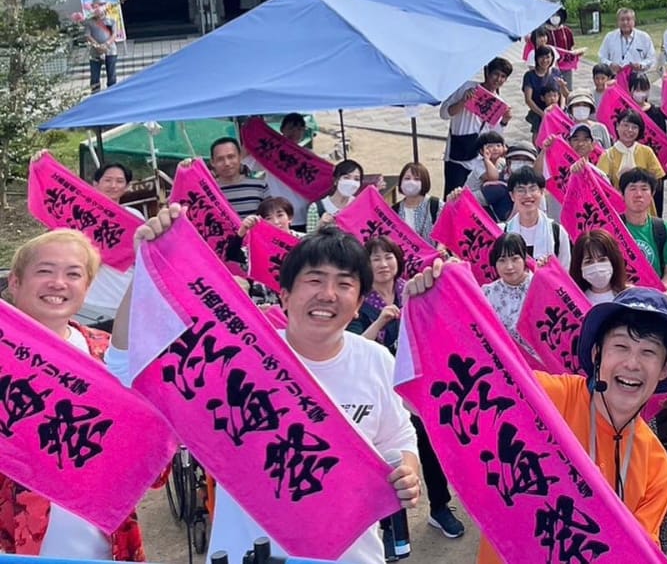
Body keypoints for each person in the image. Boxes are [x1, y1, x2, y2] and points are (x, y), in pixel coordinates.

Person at [113, 215, 422, 564]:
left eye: (344, 284)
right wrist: (144, 270)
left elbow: (397, 440)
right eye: (314, 280)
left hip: (350, 553)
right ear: (285, 295)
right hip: (249, 551)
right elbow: (128, 369)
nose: (327, 294)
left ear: (359, 302)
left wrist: (407, 470)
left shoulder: (376, 360)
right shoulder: (238, 357)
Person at [407, 276, 667, 564]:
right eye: (620, 346)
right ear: (597, 353)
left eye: (648, 352)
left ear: (665, 368)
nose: (632, 364)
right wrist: (426, 312)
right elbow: (438, 395)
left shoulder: (657, 468)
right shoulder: (545, 399)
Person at [0, 230, 146, 560]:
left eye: (73, 274)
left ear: (87, 287)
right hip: (16, 549)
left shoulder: (107, 353)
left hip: (107, 547)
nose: (58, 283)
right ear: (15, 282)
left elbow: (144, 462)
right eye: (44, 271)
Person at [348, 237, 466, 540]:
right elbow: (354, 348)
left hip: (420, 388)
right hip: (381, 391)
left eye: (388, 257)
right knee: (390, 458)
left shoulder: (412, 290)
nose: (383, 264)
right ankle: (389, 526)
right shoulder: (360, 301)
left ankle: (440, 508)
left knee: (430, 448)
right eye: (375, 259)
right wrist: (382, 321)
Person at [440, 57, 514, 195]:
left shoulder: (500, 103)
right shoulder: (466, 87)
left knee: (471, 198)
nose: (498, 79)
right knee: (451, 195)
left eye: (503, 76)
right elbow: (444, 113)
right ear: (487, 72)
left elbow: (493, 134)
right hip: (457, 154)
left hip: (478, 158)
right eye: (496, 74)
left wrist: (504, 120)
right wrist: (463, 102)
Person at [83, 161, 141, 317]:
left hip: (123, 294)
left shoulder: (134, 216)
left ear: (127, 186)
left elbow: (143, 256)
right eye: (107, 180)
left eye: (120, 181)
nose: (113, 185)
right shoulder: (81, 215)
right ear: (95, 183)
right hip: (89, 299)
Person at [244, 113, 311, 232]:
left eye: (300, 128)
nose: (295, 132)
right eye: (291, 127)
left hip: (304, 214)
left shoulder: (309, 156)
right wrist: (251, 131)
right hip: (277, 215)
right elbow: (247, 159)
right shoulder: (270, 152)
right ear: (282, 129)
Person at [620, 168, 667, 289]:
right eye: (632, 189)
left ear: (652, 194)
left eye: (644, 189)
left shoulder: (666, 229)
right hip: (620, 296)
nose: (638, 194)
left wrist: (658, 291)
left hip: (656, 297)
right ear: (622, 193)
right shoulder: (612, 228)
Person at [501, 170, 571, 265]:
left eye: (532, 189)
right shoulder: (501, 231)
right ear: (512, 195)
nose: (528, 195)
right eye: (521, 190)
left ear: (541, 192)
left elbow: (564, 271)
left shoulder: (558, 232)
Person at [480, 233, 537, 351]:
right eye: (502, 260)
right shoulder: (487, 293)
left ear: (524, 258)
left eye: (515, 259)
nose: (509, 266)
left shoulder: (540, 287)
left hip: (543, 365)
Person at [596, 109, 667, 203]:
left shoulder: (646, 151)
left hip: (644, 204)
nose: (629, 130)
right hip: (619, 205)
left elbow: (658, 180)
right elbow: (600, 183)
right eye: (625, 125)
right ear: (617, 126)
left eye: (634, 127)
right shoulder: (608, 155)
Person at [209, 137, 268, 218]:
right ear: (212, 162)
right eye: (220, 159)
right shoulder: (208, 190)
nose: (227, 163)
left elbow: (270, 218)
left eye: (231, 157)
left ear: (240, 157)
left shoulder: (260, 185)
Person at [569, 230, 628, 304]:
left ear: (613, 261)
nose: (596, 266)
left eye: (602, 260)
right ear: (579, 267)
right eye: (589, 262)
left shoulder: (630, 295)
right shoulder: (574, 301)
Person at [307, 159, 366, 230]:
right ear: (336, 180)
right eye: (346, 177)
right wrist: (320, 225)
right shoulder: (316, 208)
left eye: (356, 179)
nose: (351, 182)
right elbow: (309, 238)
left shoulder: (360, 206)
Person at [522, 45, 567, 137]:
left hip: (556, 112)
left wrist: (561, 108)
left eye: (548, 57)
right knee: (538, 137)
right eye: (541, 57)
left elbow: (561, 92)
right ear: (536, 58)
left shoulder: (556, 72)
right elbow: (528, 99)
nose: (545, 60)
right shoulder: (530, 76)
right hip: (539, 112)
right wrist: (543, 115)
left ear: (552, 58)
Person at [394, 162, 441, 245]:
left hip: (435, 257)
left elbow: (448, 231)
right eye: (407, 178)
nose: (411, 182)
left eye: (416, 179)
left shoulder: (436, 205)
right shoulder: (394, 211)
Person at [599, 8, 656, 73]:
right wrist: (610, 64)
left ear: (634, 21)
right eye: (622, 20)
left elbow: (652, 59)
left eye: (628, 19)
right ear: (618, 21)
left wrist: (641, 65)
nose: (625, 22)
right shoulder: (609, 37)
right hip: (616, 77)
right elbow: (601, 57)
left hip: (637, 77)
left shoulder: (644, 37)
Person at [545, 7, 585, 90]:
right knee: (553, 89)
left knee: (567, 88)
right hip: (551, 66)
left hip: (566, 65)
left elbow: (571, 47)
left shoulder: (567, 31)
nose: (555, 17)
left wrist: (576, 53)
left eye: (557, 15)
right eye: (553, 15)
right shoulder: (545, 32)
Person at [83, 0, 118, 92]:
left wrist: (106, 44)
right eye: (94, 7)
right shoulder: (89, 21)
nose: (96, 9)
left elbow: (114, 34)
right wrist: (97, 46)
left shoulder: (111, 20)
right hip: (95, 52)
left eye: (98, 6)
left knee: (112, 77)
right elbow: (87, 35)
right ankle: (95, 96)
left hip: (110, 51)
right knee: (94, 78)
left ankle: (112, 94)